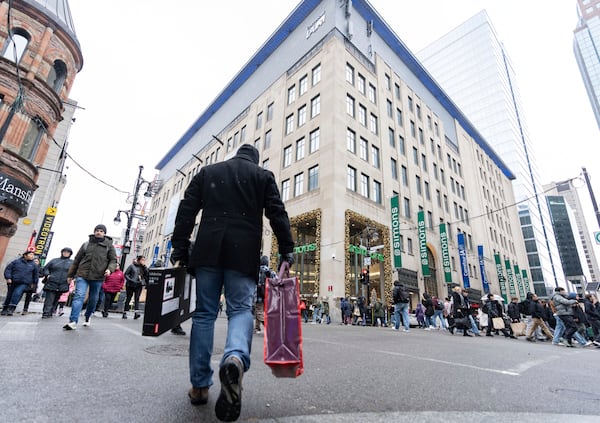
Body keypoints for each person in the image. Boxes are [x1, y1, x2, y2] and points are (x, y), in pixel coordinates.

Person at [170, 143, 294, 422]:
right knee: (240, 310)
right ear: (255, 159)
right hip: (243, 251)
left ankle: (200, 385)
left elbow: (186, 210)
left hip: (208, 249)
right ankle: (235, 358)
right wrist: (287, 248)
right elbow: (277, 213)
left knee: (204, 314)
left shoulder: (209, 172)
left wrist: (179, 246)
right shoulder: (262, 176)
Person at [63, 224, 117, 330]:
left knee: (93, 299)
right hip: (83, 274)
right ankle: (73, 321)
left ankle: (88, 316)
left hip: (98, 276)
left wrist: (109, 269)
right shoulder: (86, 244)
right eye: (97, 230)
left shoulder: (109, 246)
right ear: (94, 231)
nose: (99, 232)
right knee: (79, 296)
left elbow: (113, 260)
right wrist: (70, 275)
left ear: (104, 233)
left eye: (101, 231)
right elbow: (77, 260)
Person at [1, 251, 39, 316]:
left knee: (17, 293)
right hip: (13, 281)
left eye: (33, 255)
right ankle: (5, 308)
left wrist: (34, 283)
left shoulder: (34, 265)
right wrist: (8, 278)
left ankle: (11, 309)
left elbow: (35, 275)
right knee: (9, 295)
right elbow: (8, 269)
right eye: (30, 254)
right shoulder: (16, 262)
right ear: (25, 255)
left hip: (24, 283)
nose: (32, 256)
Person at [40, 248, 74, 318]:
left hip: (63, 283)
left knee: (56, 298)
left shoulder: (72, 262)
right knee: (49, 298)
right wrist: (48, 274)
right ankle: (46, 313)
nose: (66, 253)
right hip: (52, 281)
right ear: (61, 252)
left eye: (68, 252)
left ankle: (51, 311)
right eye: (64, 252)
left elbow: (76, 271)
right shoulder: (54, 260)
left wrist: (72, 277)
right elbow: (46, 268)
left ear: (70, 254)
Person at [123, 255, 149, 320]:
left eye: (144, 260)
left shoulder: (143, 268)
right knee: (129, 297)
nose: (143, 261)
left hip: (139, 285)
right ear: (138, 260)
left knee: (137, 298)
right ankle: (125, 312)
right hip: (130, 285)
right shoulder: (132, 266)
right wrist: (131, 280)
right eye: (142, 260)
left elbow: (147, 275)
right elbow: (126, 274)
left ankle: (136, 313)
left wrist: (145, 267)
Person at [254, 255, 273, 334]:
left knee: (258, 310)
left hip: (258, 294)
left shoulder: (257, 270)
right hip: (268, 294)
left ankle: (269, 326)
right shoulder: (271, 271)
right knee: (261, 310)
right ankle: (257, 328)